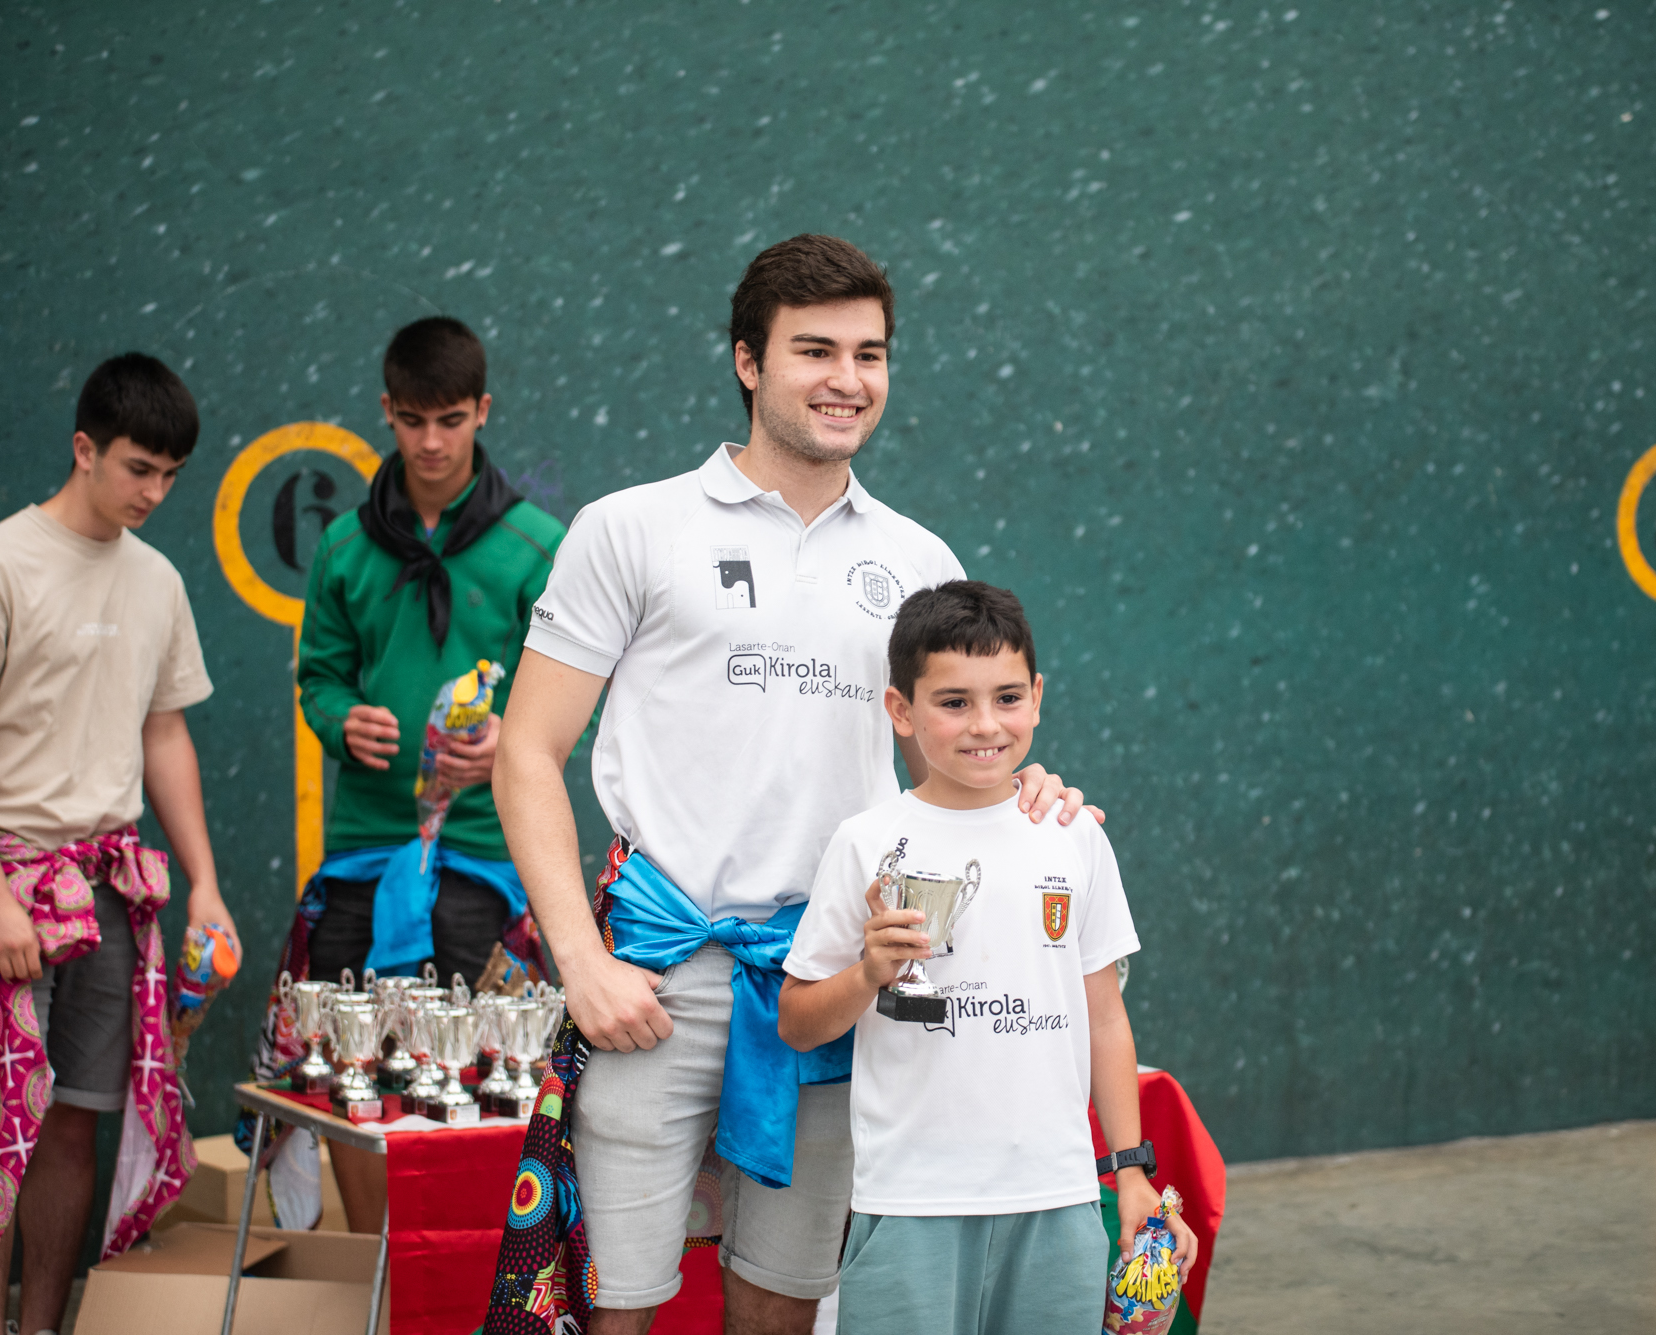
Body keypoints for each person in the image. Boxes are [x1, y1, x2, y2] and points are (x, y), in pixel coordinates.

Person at [486, 235, 1098, 1335]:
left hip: (830, 986)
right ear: (747, 360)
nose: (846, 379)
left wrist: (1029, 787)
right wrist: (582, 963)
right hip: (653, 985)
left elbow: (962, 747)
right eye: (814, 350)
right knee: (616, 1309)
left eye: (869, 354)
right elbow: (526, 749)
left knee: (780, 1309)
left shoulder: (920, 559)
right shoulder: (631, 528)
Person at [778, 581, 1197, 1335]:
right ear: (900, 709)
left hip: (1059, 1199)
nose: (985, 724)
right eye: (953, 702)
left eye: (1007, 697)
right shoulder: (865, 842)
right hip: (910, 1203)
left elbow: (1105, 1017)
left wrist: (1130, 1171)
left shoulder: (1074, 834)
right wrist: (869, 972)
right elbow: (798, 1023)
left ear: (1037, 697)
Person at [0, 353, 236, 1335]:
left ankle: (42, 1325)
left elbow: (164, 733)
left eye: (171, 475)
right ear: (83, 448)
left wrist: (206, 882)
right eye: (139, 468)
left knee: (74, 1122)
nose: (154, 492)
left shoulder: (159, 581)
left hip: (109, 887)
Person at [263, 315, 567, 1231]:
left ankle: (459, 1270)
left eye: (451, 419)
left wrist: (510, 740)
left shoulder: (538, 544)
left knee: (480, 1072)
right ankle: (376, 1266)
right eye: (412, 420)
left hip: (483, 849)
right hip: (363, 845)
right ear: (386, 412)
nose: (431, 442)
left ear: (484, 410)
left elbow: (577, 697)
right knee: (347, 1066)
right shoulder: (342, 547)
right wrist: (337, 718)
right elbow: (320, 675)